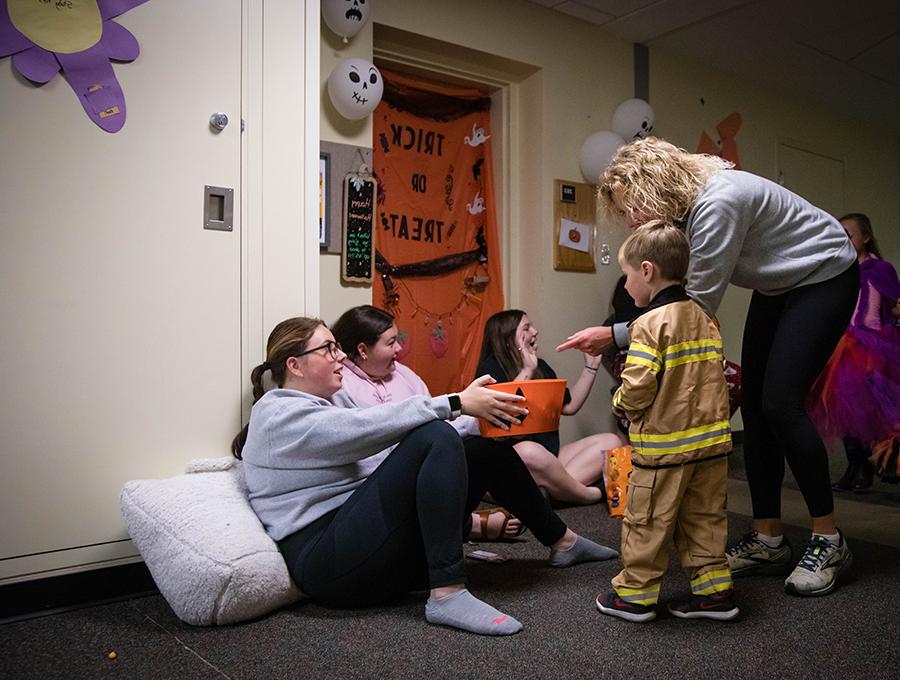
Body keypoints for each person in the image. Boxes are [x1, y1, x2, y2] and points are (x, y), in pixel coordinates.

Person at [558, 136, 859, 597]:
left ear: (653, 187)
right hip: (778, 285)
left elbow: (691, 308)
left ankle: (829, 540)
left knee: (780, 404)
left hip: (824, 273)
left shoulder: (719, 202)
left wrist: (614, 334)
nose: (632, 219)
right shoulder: (688, 207)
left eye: (631, 207)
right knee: (755, 408)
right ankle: (768, 539)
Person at [231, 317, 618, 636]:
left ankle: (562, 541)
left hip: (367, 546)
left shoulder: (330, 402)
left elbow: (385, 449)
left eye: (338, 348)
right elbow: (362, 431)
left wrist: (479, 413)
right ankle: (447, 592)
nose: (340, 358)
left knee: (481, 450)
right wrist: (453, 403)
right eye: (328, 349)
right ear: (294, 365)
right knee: (435, 435)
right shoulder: (276, 413)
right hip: (328, 565)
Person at [594, 221, 737, 623]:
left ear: (646, 270)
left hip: (664, 452)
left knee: (647, 522)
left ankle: (635, 596)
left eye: (626, 275)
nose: (625, 287)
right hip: (711, 448)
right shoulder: (705, 316)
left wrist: (621, 401)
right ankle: (714, 595)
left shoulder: (648, 324)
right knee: (705, 519)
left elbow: (638, 386)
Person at [331, 304, 518, 540]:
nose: (399, 348)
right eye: (390, 343)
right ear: (363, 350)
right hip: (378, 485)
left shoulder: (404, 375)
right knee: (489, 453)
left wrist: (480, 421)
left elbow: (437, 425)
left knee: (488, 449)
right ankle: (468, 526)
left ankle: (559, 538)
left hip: (425, 467)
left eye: (397, 340)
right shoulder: (341, 385)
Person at [476, 309, 625, 505]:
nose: (535, 332)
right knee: (529, 450)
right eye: (527, 328)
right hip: (511, 460)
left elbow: (569, 406)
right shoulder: (490, 369)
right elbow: (504, 416)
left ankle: (544, 494)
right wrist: (527, 370)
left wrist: (591, 367)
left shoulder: (542, 367)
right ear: (507, 338)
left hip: (548, 458)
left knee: (611, 441)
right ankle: (589, 494)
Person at [807, 213, 900, 492]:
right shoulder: (840, 270)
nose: (844, 239)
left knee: (872, 409)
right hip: (842, 346)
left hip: (872, 344)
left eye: (849, 234)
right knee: (843, 409)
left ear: (866, 237)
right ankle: (853, 467)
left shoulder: (879, 269)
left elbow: (893, 303)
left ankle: (871, 466)